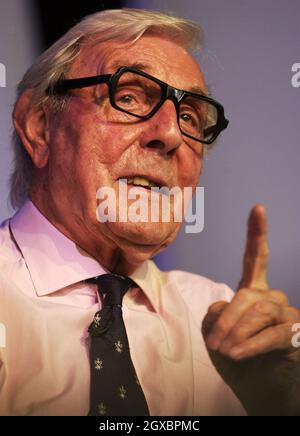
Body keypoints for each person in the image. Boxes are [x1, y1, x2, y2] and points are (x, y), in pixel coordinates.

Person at [0, 8, 299, 416]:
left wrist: (281, 403)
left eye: (190, 117)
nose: (171, 135)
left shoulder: (226, 323)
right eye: (128, 97)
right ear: (39, 125)